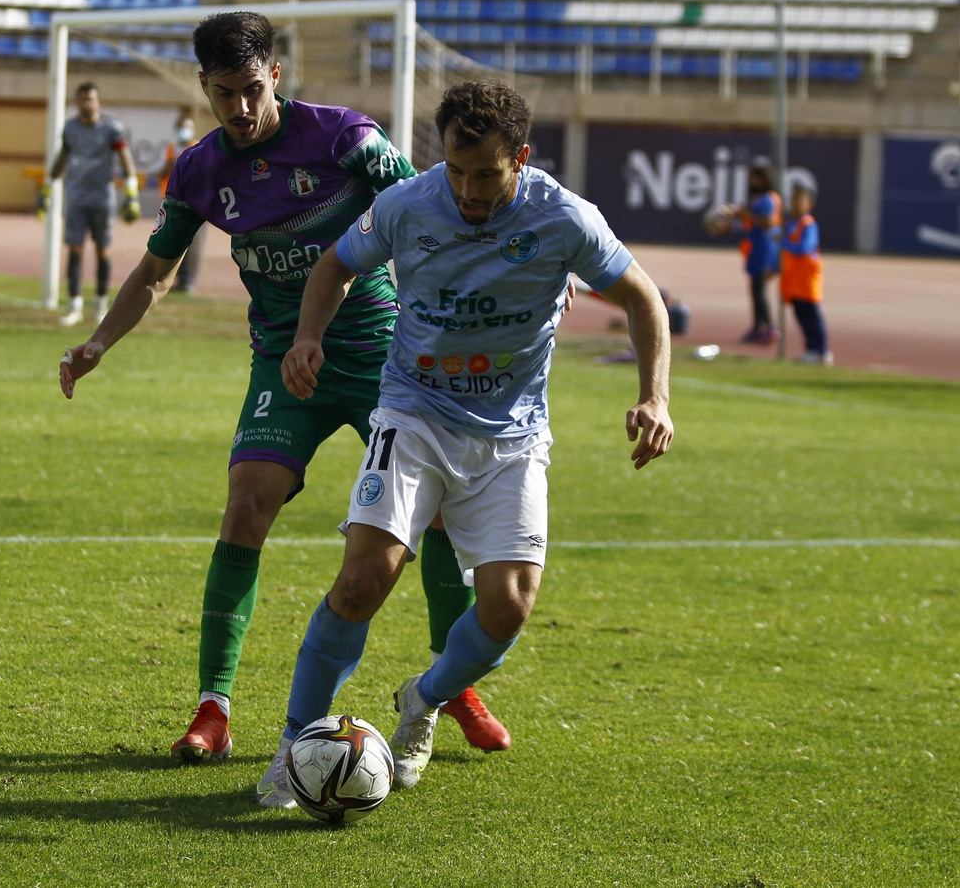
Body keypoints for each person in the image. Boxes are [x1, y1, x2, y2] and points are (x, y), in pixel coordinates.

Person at [57, 13, 511, 781]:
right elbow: (155, 273)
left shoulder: (345, 138)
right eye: (224, 93)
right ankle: (214, 706)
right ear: (203, 85)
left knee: (434, 512)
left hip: (380, 357)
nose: (239, 108)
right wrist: (100, 341)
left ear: (277, 74)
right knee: (244, 506)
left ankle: (448, 685)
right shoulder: (200, 168)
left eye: (252, 90)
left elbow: (433, 203)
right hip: (283, 365)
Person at [262, 80, 674, 799]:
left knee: (509, 606)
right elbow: (335, 265)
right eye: (456, 170)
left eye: (486, 173)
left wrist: (654, 396)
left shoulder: (564, 218)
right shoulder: (407, 203)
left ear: (520, 157)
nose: (468, 189)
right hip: (413, 414)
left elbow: (643, 296)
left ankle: (423, 700)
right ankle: (296, 744)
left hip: (511, 434)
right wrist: (307, 337)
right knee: (363, 580)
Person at [50, 81, 139, 327]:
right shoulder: (70, 129)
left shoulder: (111, 129)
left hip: (102, 198)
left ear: (98, 102)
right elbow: (62, 158)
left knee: (103, 251)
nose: (87, 104)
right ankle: (74, 305)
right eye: (83, 100)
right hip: (77, 198)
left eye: (91, 99)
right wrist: (48, 186)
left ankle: (100, 305)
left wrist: (131, 193)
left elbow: (125, 160)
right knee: (75, 249)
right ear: (77, 102)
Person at [708, 161, 782, 345]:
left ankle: (770, 328)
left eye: (755, 178)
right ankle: (758, 328)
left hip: (765, 249)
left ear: (763, 180)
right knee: (755, 289)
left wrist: (743, 213)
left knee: (760, 289)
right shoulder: (758, 198)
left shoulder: (768, 199)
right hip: (756, 248)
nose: (751, 182)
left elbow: (767, 222)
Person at [153, 106, 204, 294]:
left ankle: (189, 282)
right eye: (182, 126)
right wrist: (169, 164)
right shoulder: (170, 150)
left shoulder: (199, 147)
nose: (184, 130)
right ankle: (175, 280)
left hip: (194, 204)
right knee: (173, 242)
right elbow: (159, 174)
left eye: (187, 126)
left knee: (193, 245)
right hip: (171, 203)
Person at [780, 185, 830, 365]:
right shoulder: (789, 224)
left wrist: (783, 243)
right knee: (801, 315)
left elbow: (803, 248)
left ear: (809, 204)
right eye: (793, 200)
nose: (795, 204)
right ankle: (811, 350)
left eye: (800, 200)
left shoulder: (808, 224)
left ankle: (821, 351)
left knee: (812, 316)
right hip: (794, 279)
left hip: (807, 280)